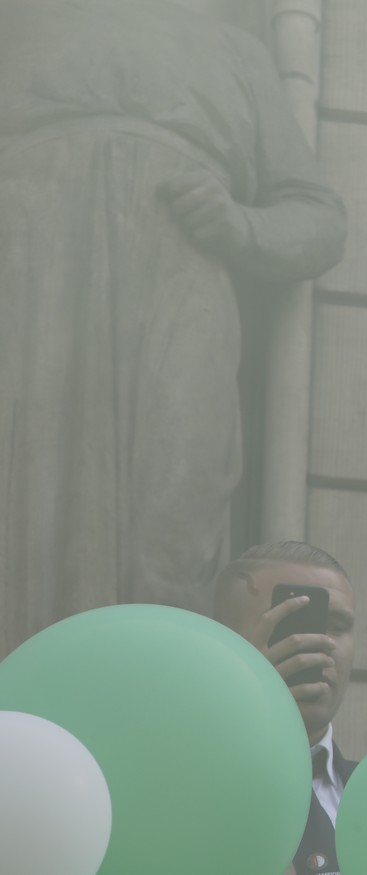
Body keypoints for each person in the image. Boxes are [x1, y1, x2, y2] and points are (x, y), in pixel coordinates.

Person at [0, 0, 347, 657]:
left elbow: (318, 218)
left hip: (178, 299)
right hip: (25, 288)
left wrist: (239, 225)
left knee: (172, 522)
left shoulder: (235, 53)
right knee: (21, 508)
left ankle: (147, 691)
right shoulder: (15, 24)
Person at [213, 542, 357, 875]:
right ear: (224, 639)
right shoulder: (178, 795)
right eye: (293, 623)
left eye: (338, 627)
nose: (320, 643)